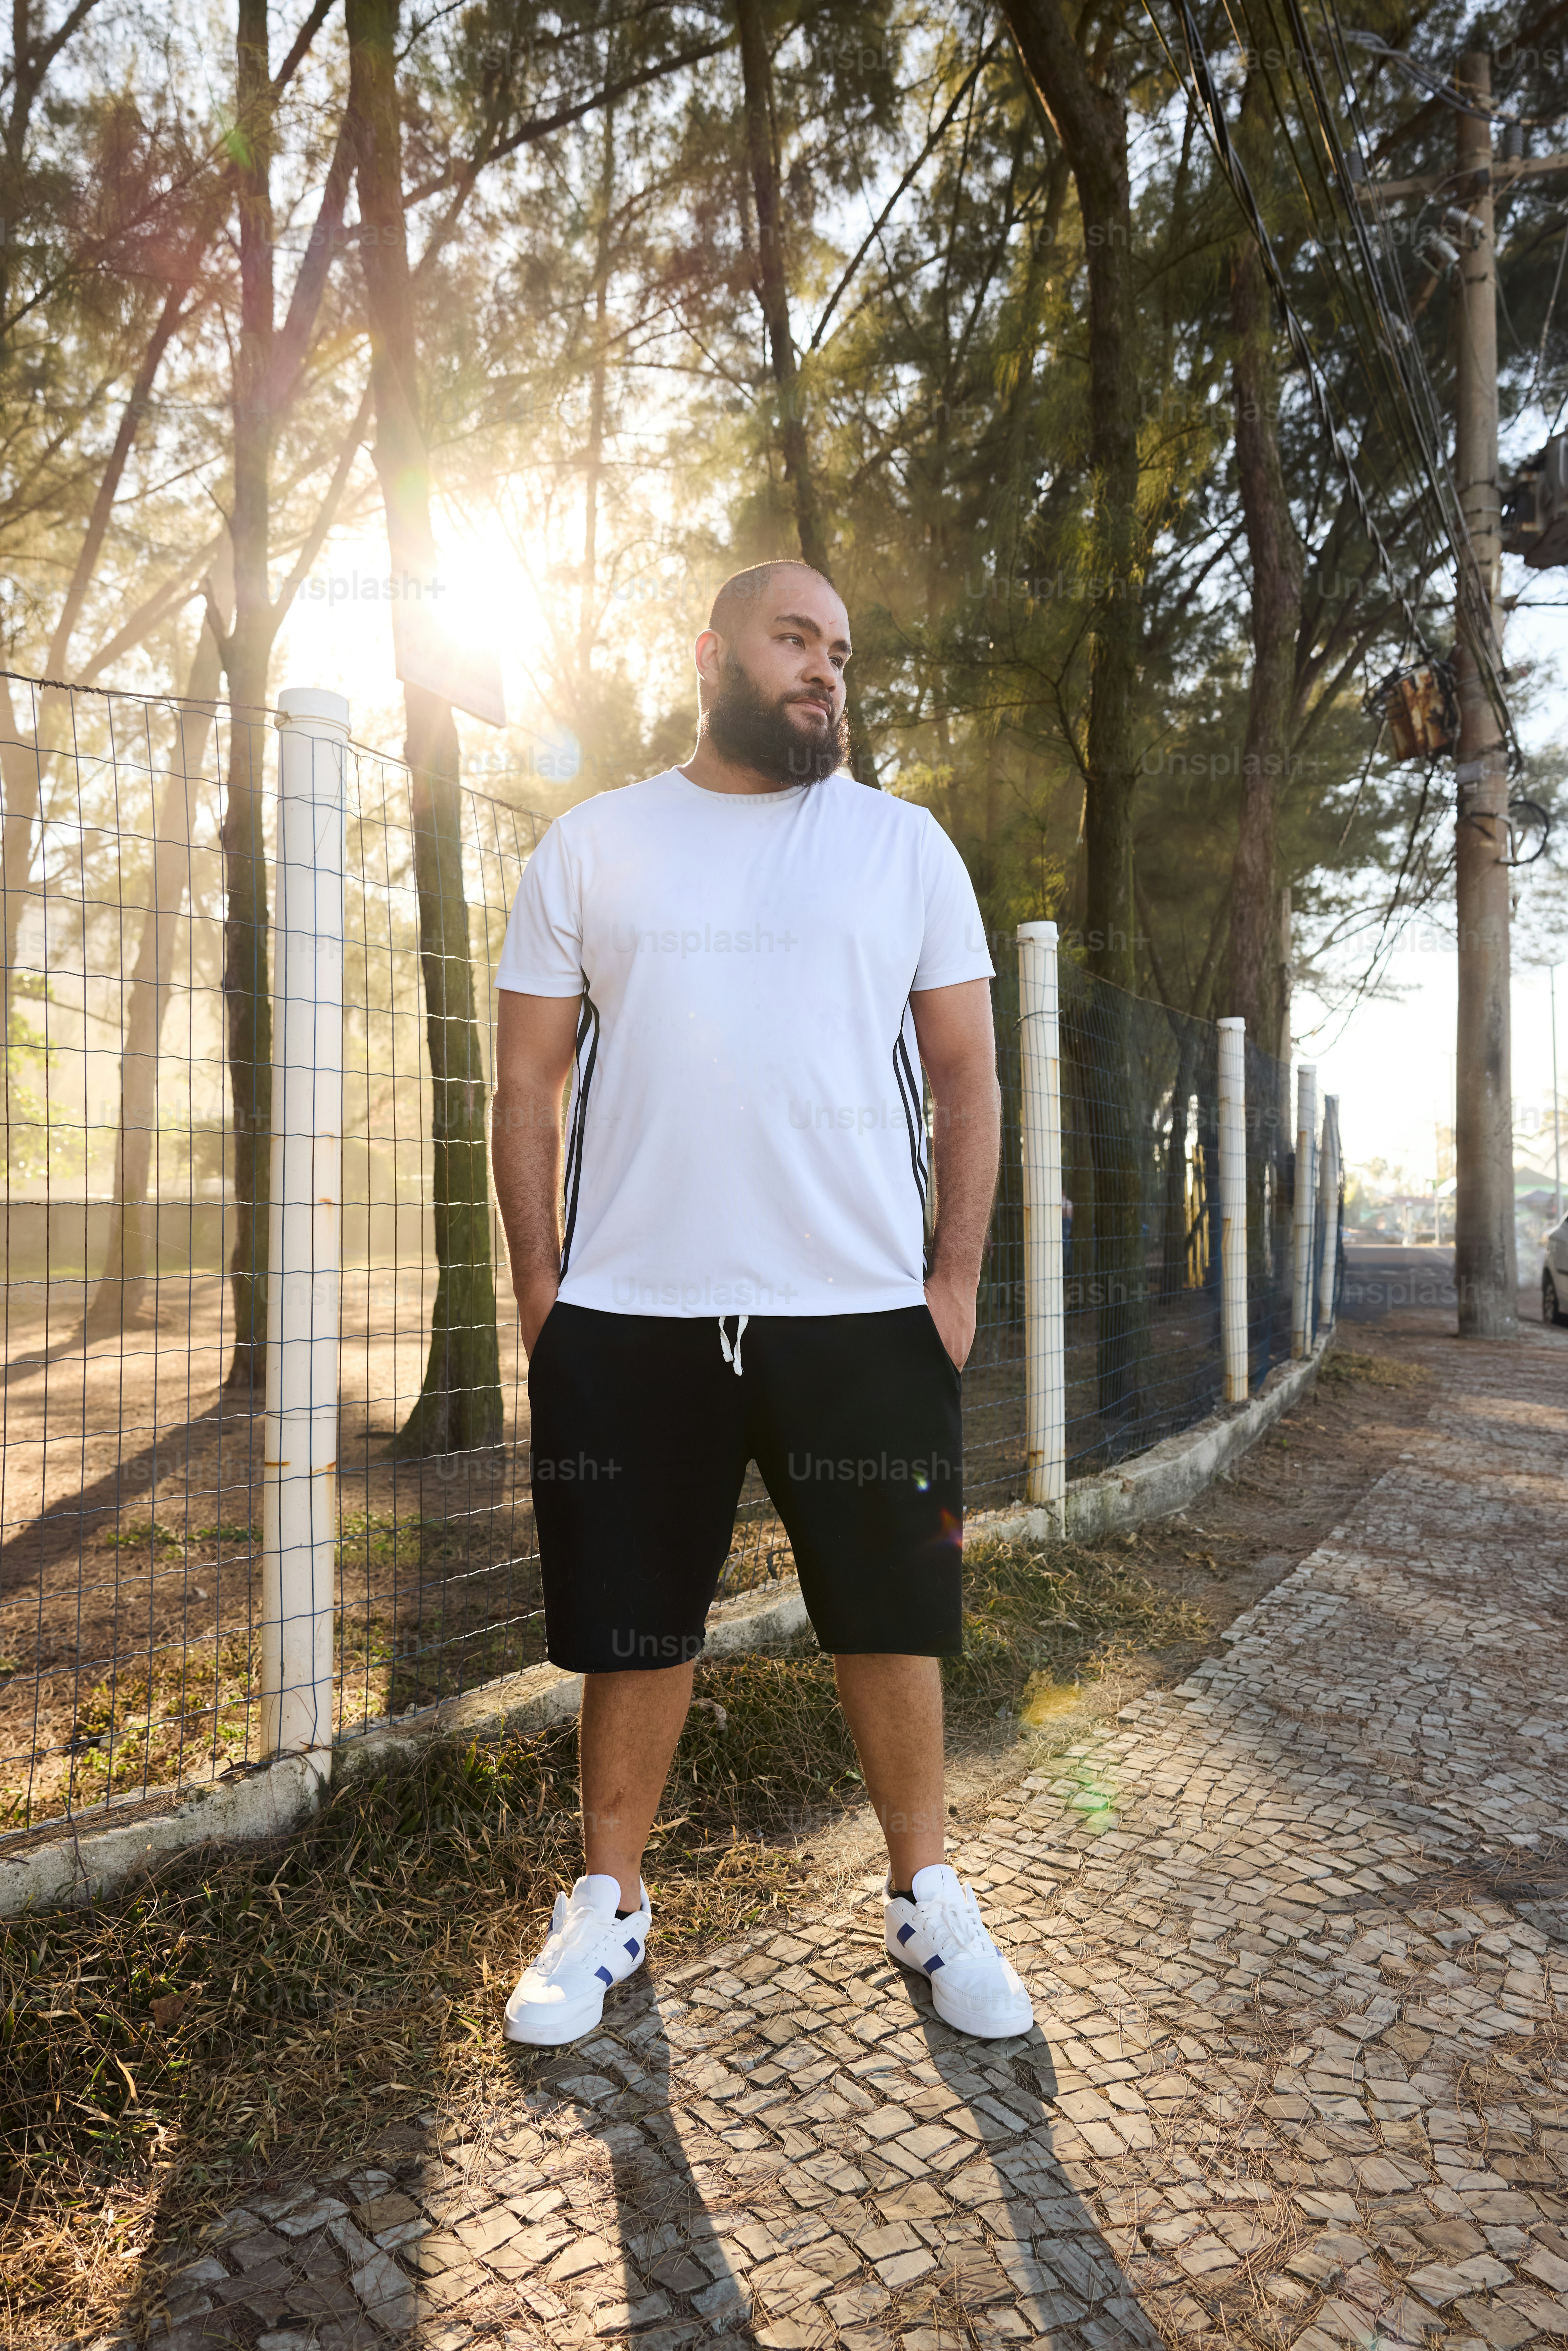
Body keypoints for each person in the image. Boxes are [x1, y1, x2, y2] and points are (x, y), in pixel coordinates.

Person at [490, 559, 1033, 2047]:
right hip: (632, 1314)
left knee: (890, 1611)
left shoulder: (903, 847)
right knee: (631, 1623)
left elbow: (971, 1075)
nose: (825, 671)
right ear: (714, 652)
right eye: (796, 638)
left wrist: (954, 1284)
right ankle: (608, 1902)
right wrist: (547, 1293)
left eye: (842, 651)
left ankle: (924, 1889)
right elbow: (526, 1084)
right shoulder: (594, 846)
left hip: (861, 1312)